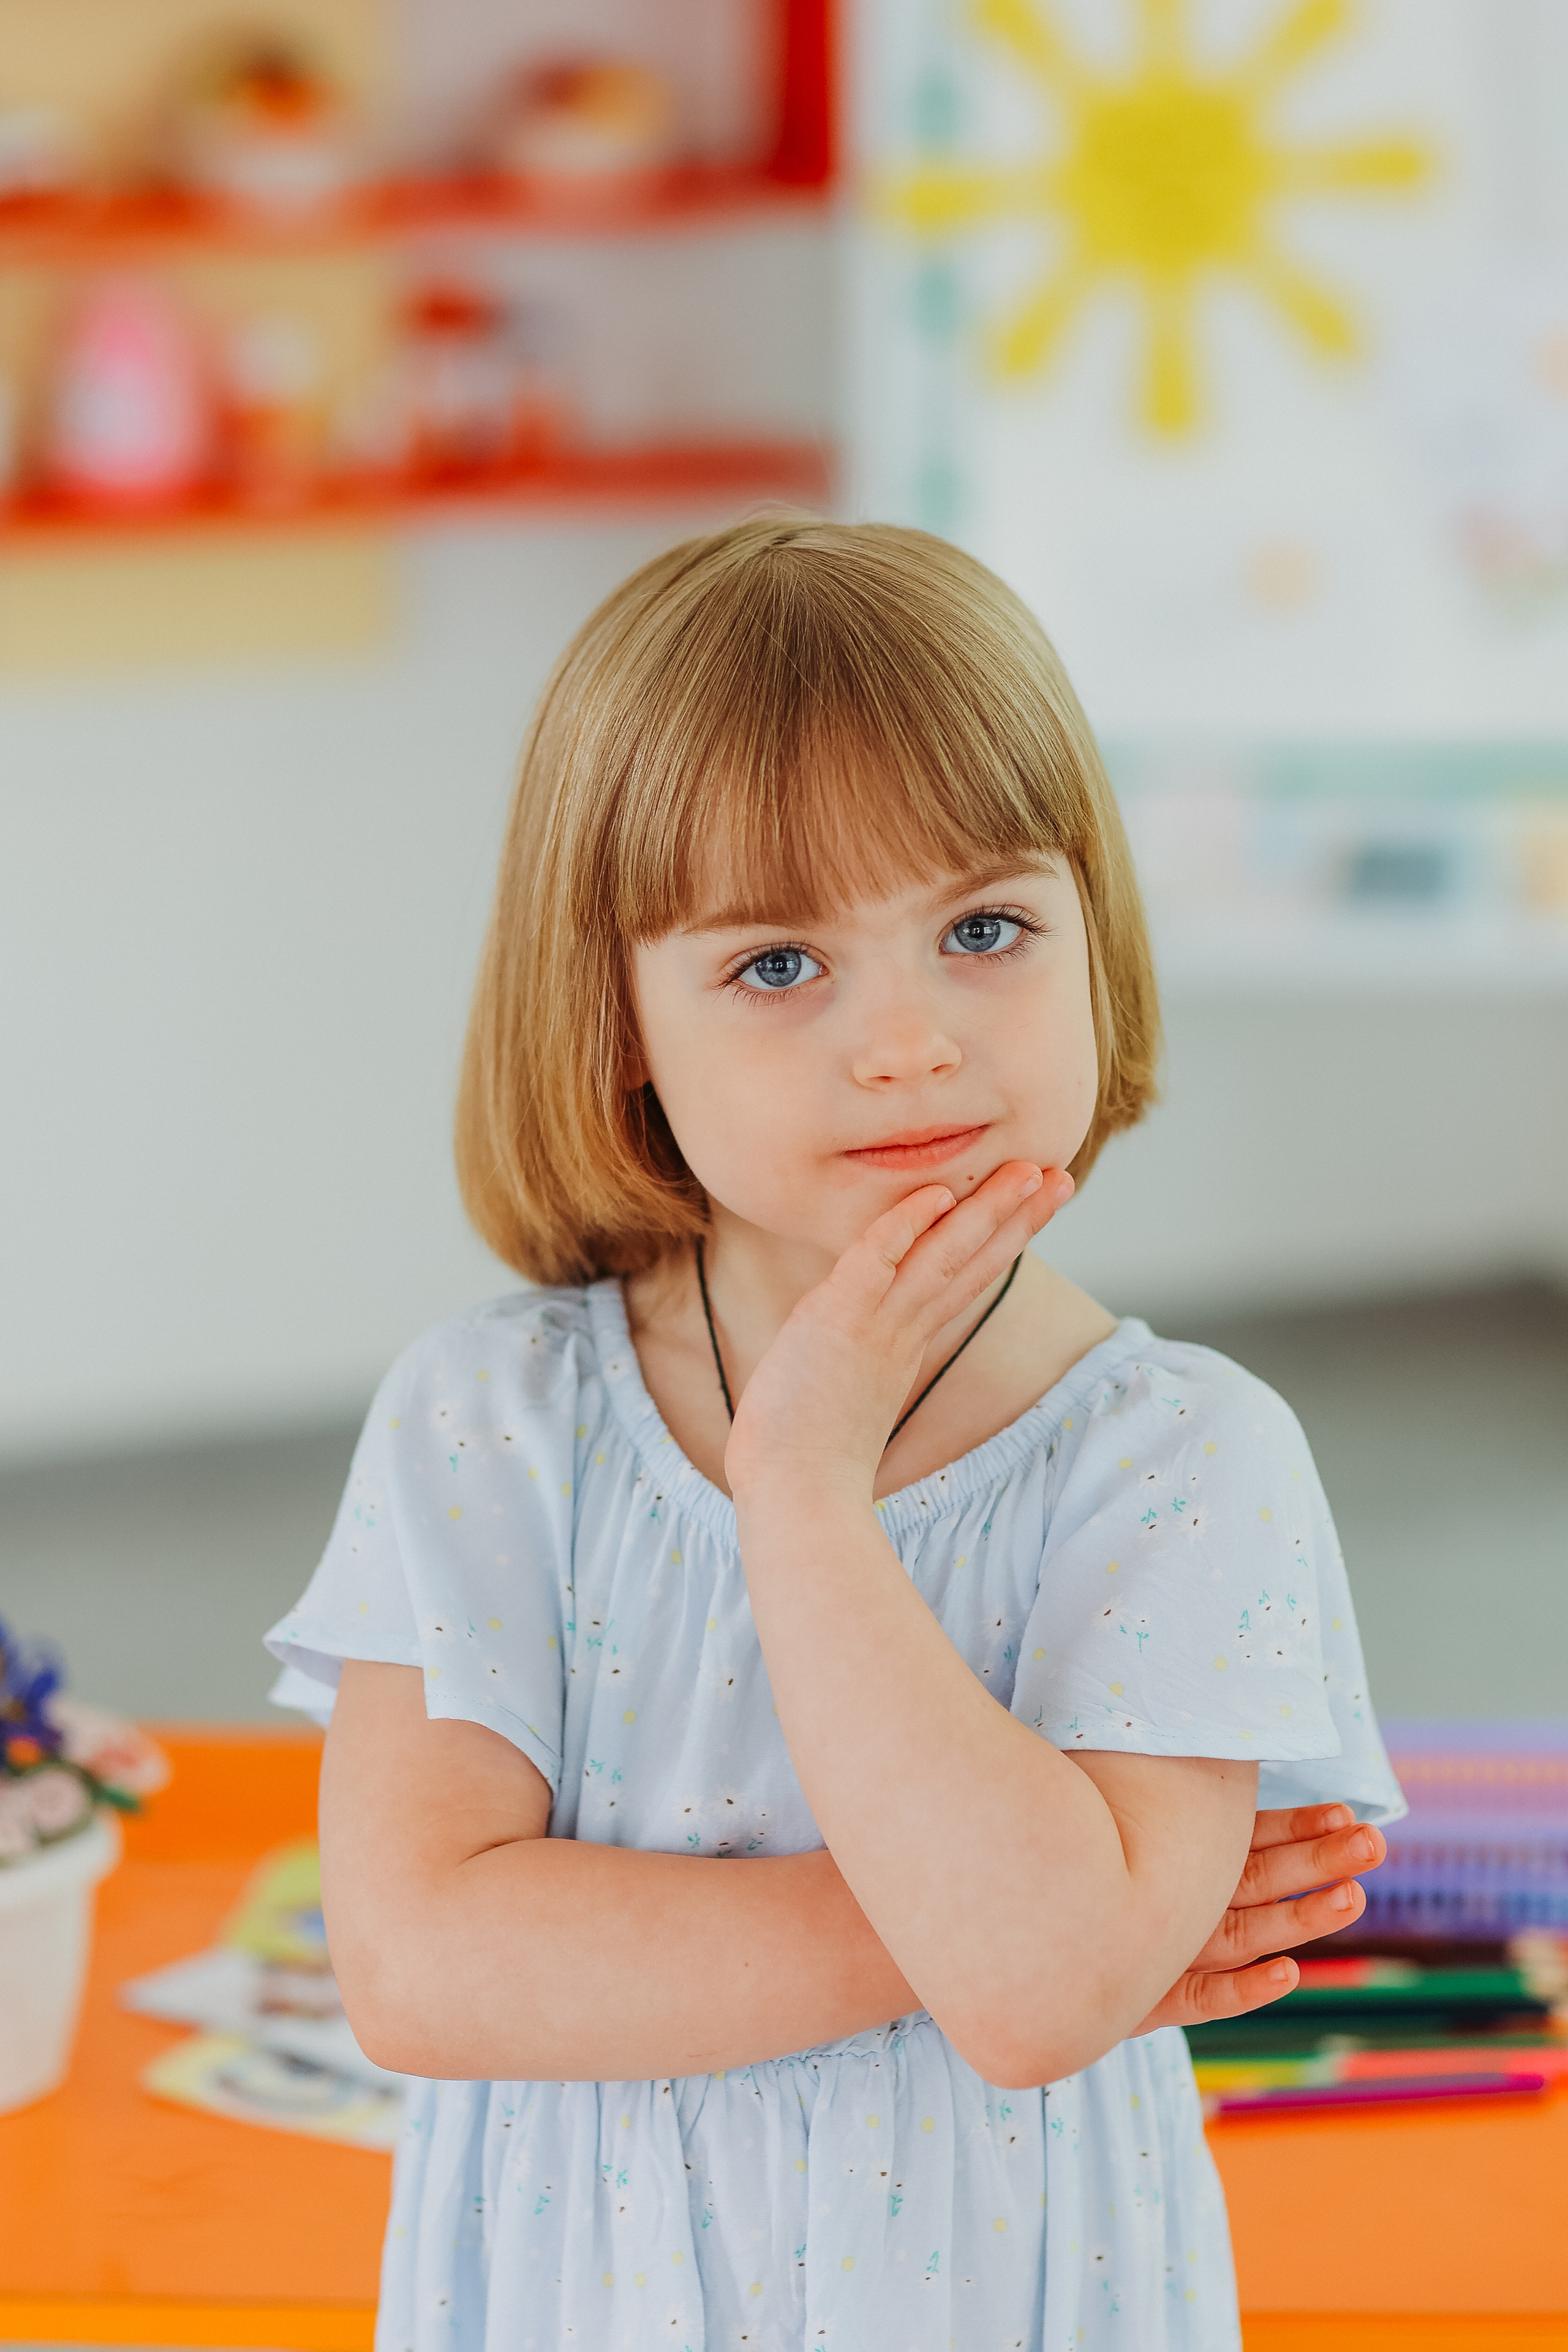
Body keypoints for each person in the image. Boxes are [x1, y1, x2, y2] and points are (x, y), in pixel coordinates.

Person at [266, 517, 1404, 2351]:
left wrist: (801, 1492)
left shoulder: (1191, 1461)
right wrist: (993, 1928)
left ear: (1091, 934)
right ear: (619, 1020)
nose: (909, 1042)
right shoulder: (492, 1420)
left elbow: (1033, 2002)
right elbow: (420, 1966)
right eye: (780, 965)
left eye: (984, 928)